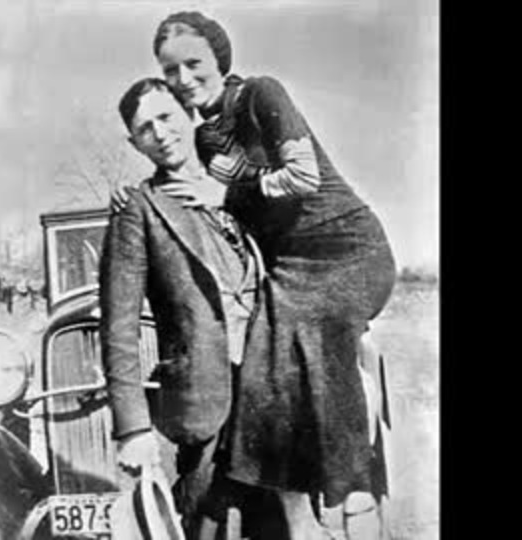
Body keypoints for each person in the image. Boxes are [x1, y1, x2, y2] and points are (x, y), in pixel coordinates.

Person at [113, 11, 399, 539]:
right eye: (171, 70)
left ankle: (351, 497)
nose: (184, 79)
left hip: (343, 248)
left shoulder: (261, 94)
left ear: (219, 57)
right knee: (269, 372)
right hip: (285, 275)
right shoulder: (201, 147)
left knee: (309, 354)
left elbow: (301, 177)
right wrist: (129, 199)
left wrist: (228, 193)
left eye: (193, 63)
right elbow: (182, 188)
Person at [100, 77, 284, 539]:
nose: (160, 134)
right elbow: (119, 326)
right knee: (211, 526)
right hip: (205, 403)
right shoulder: (138, 209)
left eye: (166, 117)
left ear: (188, 114)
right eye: (145, 129)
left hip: (273, 392)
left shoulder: (240, 189)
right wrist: (132, 429)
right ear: (135, 144)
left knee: (285, 526)